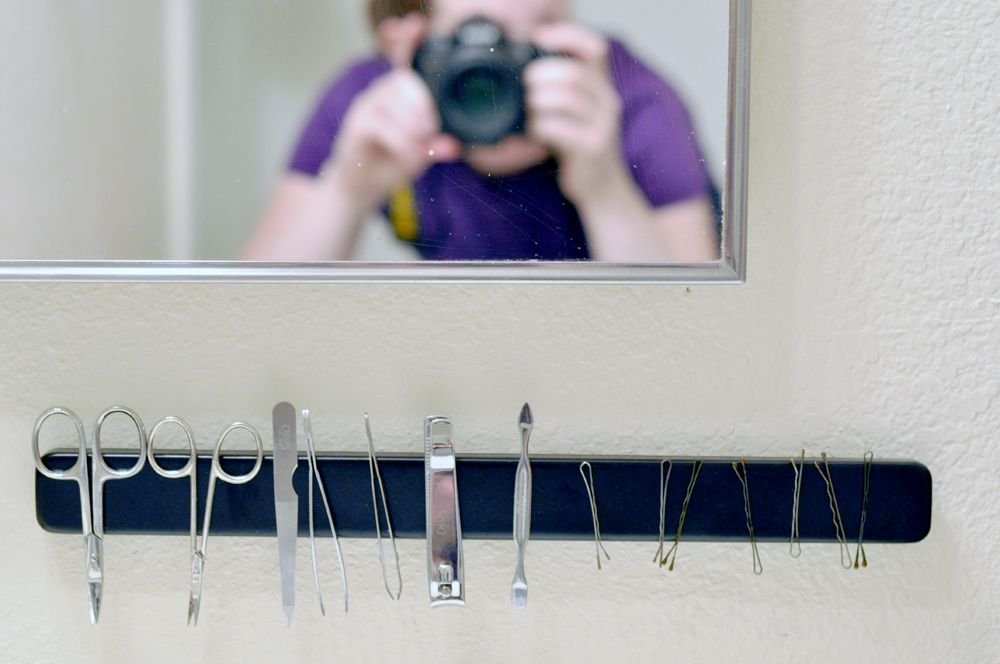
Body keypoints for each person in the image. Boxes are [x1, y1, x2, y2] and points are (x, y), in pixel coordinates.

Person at [244, 0, 719, 262]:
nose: (509, 76)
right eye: (483, 39)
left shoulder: (624, 98)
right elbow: (250, 315)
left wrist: (604, 186)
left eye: (541, 32)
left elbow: (690, 335)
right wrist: (349, 189)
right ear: (408, 43)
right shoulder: (377, 104)